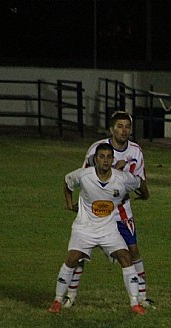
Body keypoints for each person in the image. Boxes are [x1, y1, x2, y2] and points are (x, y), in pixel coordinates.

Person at [63, 111, 151, 308]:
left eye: (127, 127)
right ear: (112, 129)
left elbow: (140, 180)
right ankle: (71, 296)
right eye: (119, 126)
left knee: (133, 251)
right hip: (94, 212)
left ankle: (142, 297)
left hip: (122, 210)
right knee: (80, 252)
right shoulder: (97, 149)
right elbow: (85, 176)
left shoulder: (136, 151)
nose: (124, 130)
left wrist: (145, 194)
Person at [47, 143, 146, 315]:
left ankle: (135, 303)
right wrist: (70, 205)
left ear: (113, 160)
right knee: (72, 258)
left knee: (125, 257)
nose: (105, 160)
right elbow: (67, 181)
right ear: (95, 159)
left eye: (109, 157)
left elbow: (139, 182)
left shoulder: (121, 178)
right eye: (102, 157)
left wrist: (146, 195)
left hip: (108, 229)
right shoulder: (84, 175)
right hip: (84, 227)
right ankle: (57, 300)